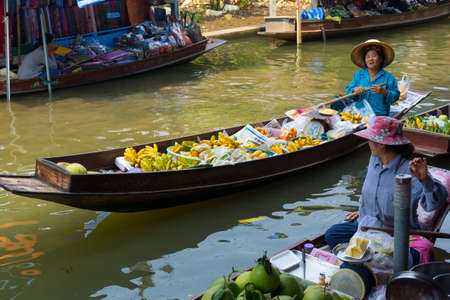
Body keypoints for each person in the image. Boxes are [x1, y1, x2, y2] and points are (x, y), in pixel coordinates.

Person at [324, 116, 447, 265]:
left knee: (415, 254)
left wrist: (425, 180)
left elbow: (434, 204)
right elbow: (374, 192)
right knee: (332, 234)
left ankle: (376, 257)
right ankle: (374, 255)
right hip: (367, 226)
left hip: (395, 235)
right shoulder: (374, 160)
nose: (368, 143)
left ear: (381, 144)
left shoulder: (410, 170)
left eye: (370, 139)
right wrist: (365, 210)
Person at [345, 39, 400, 116]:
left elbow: (396, 96)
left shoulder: (388, 77)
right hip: (359, 114)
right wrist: (355, 90)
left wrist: (384, 92)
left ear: (381, 59)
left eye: (374, 56)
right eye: (367, 57)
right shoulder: (359, 75)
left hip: (379, 115)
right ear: (365, 60)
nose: (370, 59)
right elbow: (348, 90)